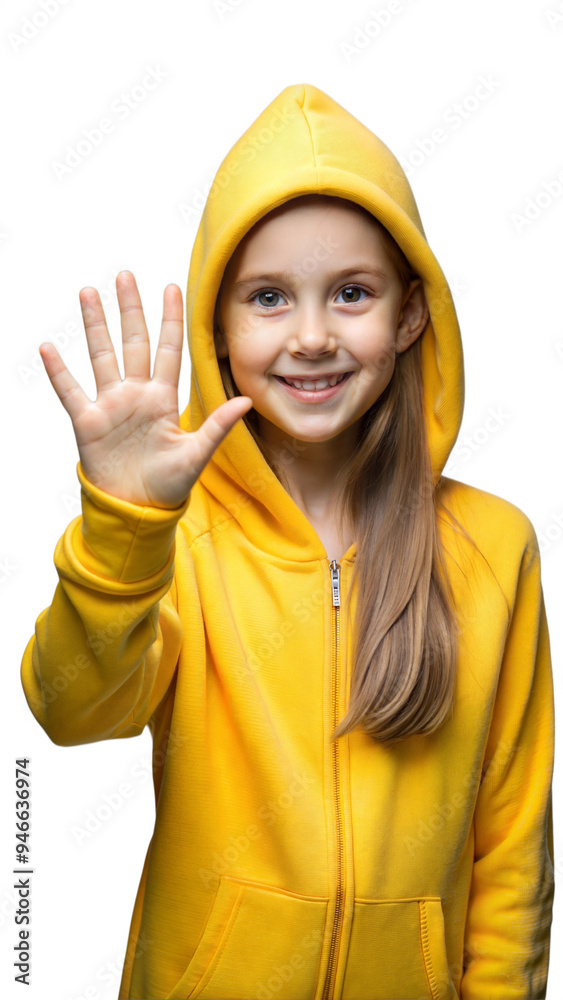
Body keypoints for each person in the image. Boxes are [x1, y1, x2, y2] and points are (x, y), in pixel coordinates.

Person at [21, 82, 555, 1000]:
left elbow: (513, 845)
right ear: (218, 332)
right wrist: (122, 526)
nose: (311, 337)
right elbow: (71, 712)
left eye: (351, 293)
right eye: (268, 298)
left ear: (411, 315)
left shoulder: (493, 545)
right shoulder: (175, 540)